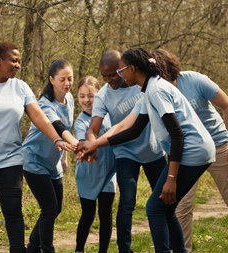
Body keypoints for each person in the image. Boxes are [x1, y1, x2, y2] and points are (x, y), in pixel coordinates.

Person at [78, 48, 216, 253]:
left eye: (120, 71)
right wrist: (96, 144)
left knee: (154, 208)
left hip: (191, 151)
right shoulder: (148, 89)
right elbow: (133, 129)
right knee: (163, 209)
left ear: (132, 69)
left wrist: (171, 177)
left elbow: (178, 135)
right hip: (191, 151)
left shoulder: (155, 90)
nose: (117, 77)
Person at [0, 42, 74, 253]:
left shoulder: (20, 87)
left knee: (13, 212)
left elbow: (39, 117)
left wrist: (56, 140)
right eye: (14, 60)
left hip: (11, 160)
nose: (18, 65)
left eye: (19, 61)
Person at [151, 49, 228, 253]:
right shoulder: (157, 92)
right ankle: (184, 250)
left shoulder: (196, 80)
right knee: (181, 205)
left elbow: (227, 106)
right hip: (186, 153)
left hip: (217, 144)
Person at [82, 50, 167, 253]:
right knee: (127, 201)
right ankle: (124, 250)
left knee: (164, 201)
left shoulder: (139, 84)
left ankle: (166, 247)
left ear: (123, 69)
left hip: (152, 150)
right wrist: (91, 144)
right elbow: (92, 129)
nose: (109, 79)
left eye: (113, 74)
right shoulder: (103, 95)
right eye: (104, 75)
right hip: (125, 152)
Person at [22, 59, 79, 253]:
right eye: (62, 79)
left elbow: (67, 127)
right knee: (49, 209)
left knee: (56, 209)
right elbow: (59, 127)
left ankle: (31, 247)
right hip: (33, 160)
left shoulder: (70, 99)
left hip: (53, 162)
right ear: (51, 80)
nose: (67, 83)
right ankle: (46, 249)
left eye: (70, 79)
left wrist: (64, 158)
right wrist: (77, 145)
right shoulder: (44, 104)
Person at [74, 76, 117, 253]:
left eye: (90, 96)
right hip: (88, 173)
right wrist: (82, 149)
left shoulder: (109, 116)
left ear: (99, 94)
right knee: (88, 214)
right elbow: (80, 140)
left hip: (108, 171)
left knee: (106, 215)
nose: (86, 100)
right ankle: (79, 249)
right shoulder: (80, 121)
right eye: (82, 96)